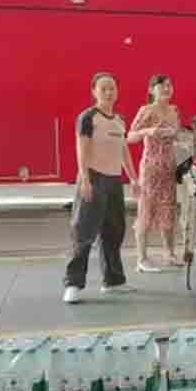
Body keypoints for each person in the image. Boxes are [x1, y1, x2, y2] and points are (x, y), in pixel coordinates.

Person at [63, 72, 140, 304]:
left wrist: (134, 179)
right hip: (94, 178)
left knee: (113, 232)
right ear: (94, 91)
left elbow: (123, 151)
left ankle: (113, 281)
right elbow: (82, 150)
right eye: (103, 88)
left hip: (114, 181)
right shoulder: (88, 117)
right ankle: (73, 284)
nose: (108, 92)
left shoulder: (119, 120)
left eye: (112, 88)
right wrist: (85, 180)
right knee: (83, 233)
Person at [128, 74, 183, 272]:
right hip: (151, 167)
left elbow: (178, 137)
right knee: (146, 209)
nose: (167, 89)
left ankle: (169, 253)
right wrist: (148, 131)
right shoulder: (146, 110)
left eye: (169, 85)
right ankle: (142, 259)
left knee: (168, 208)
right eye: (162, 86)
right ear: (152, 90)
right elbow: (130, 136)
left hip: (169, 167)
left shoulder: (174, 111)